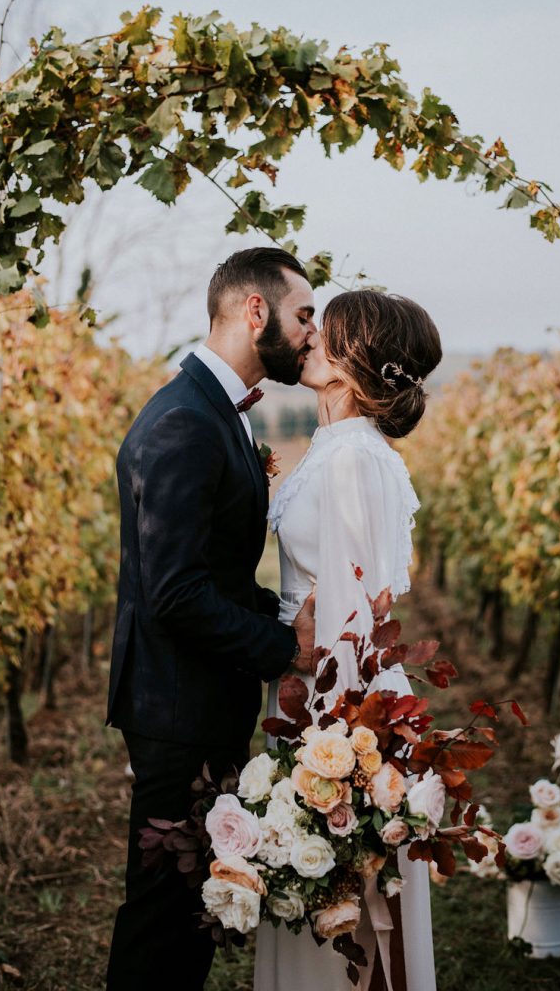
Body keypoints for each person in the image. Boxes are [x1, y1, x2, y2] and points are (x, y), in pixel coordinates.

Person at [105, 247, 319, 991]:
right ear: (253, 311)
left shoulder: (212, 411)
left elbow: (217, 574)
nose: (310, 333)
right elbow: (175, 592)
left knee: (186, 909)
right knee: (161, 918)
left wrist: (274, 616)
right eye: (302, 315)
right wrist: (283, 648)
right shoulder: (184, 422)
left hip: (195, 698)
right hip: (177, 708)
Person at [254, 289, 443, 991]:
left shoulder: (352, 457)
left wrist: (333, 738)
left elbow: (354, 612)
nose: (306, 337)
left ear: (349, 359)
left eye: (321, 330)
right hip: (320, 682)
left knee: (340, 902)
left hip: (337, 697)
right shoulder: (337, 446)